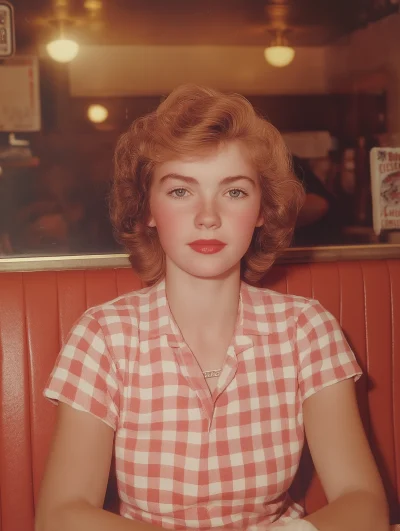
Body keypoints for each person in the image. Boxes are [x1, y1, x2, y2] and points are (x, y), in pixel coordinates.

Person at [35, 85, 389, 531]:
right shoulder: (104, 335)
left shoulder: (307, 328)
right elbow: (61, 515)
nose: (208, 216)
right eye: (181, 192)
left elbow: (363, 502)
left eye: (235, 192)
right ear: (147, 209)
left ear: (262, 209)